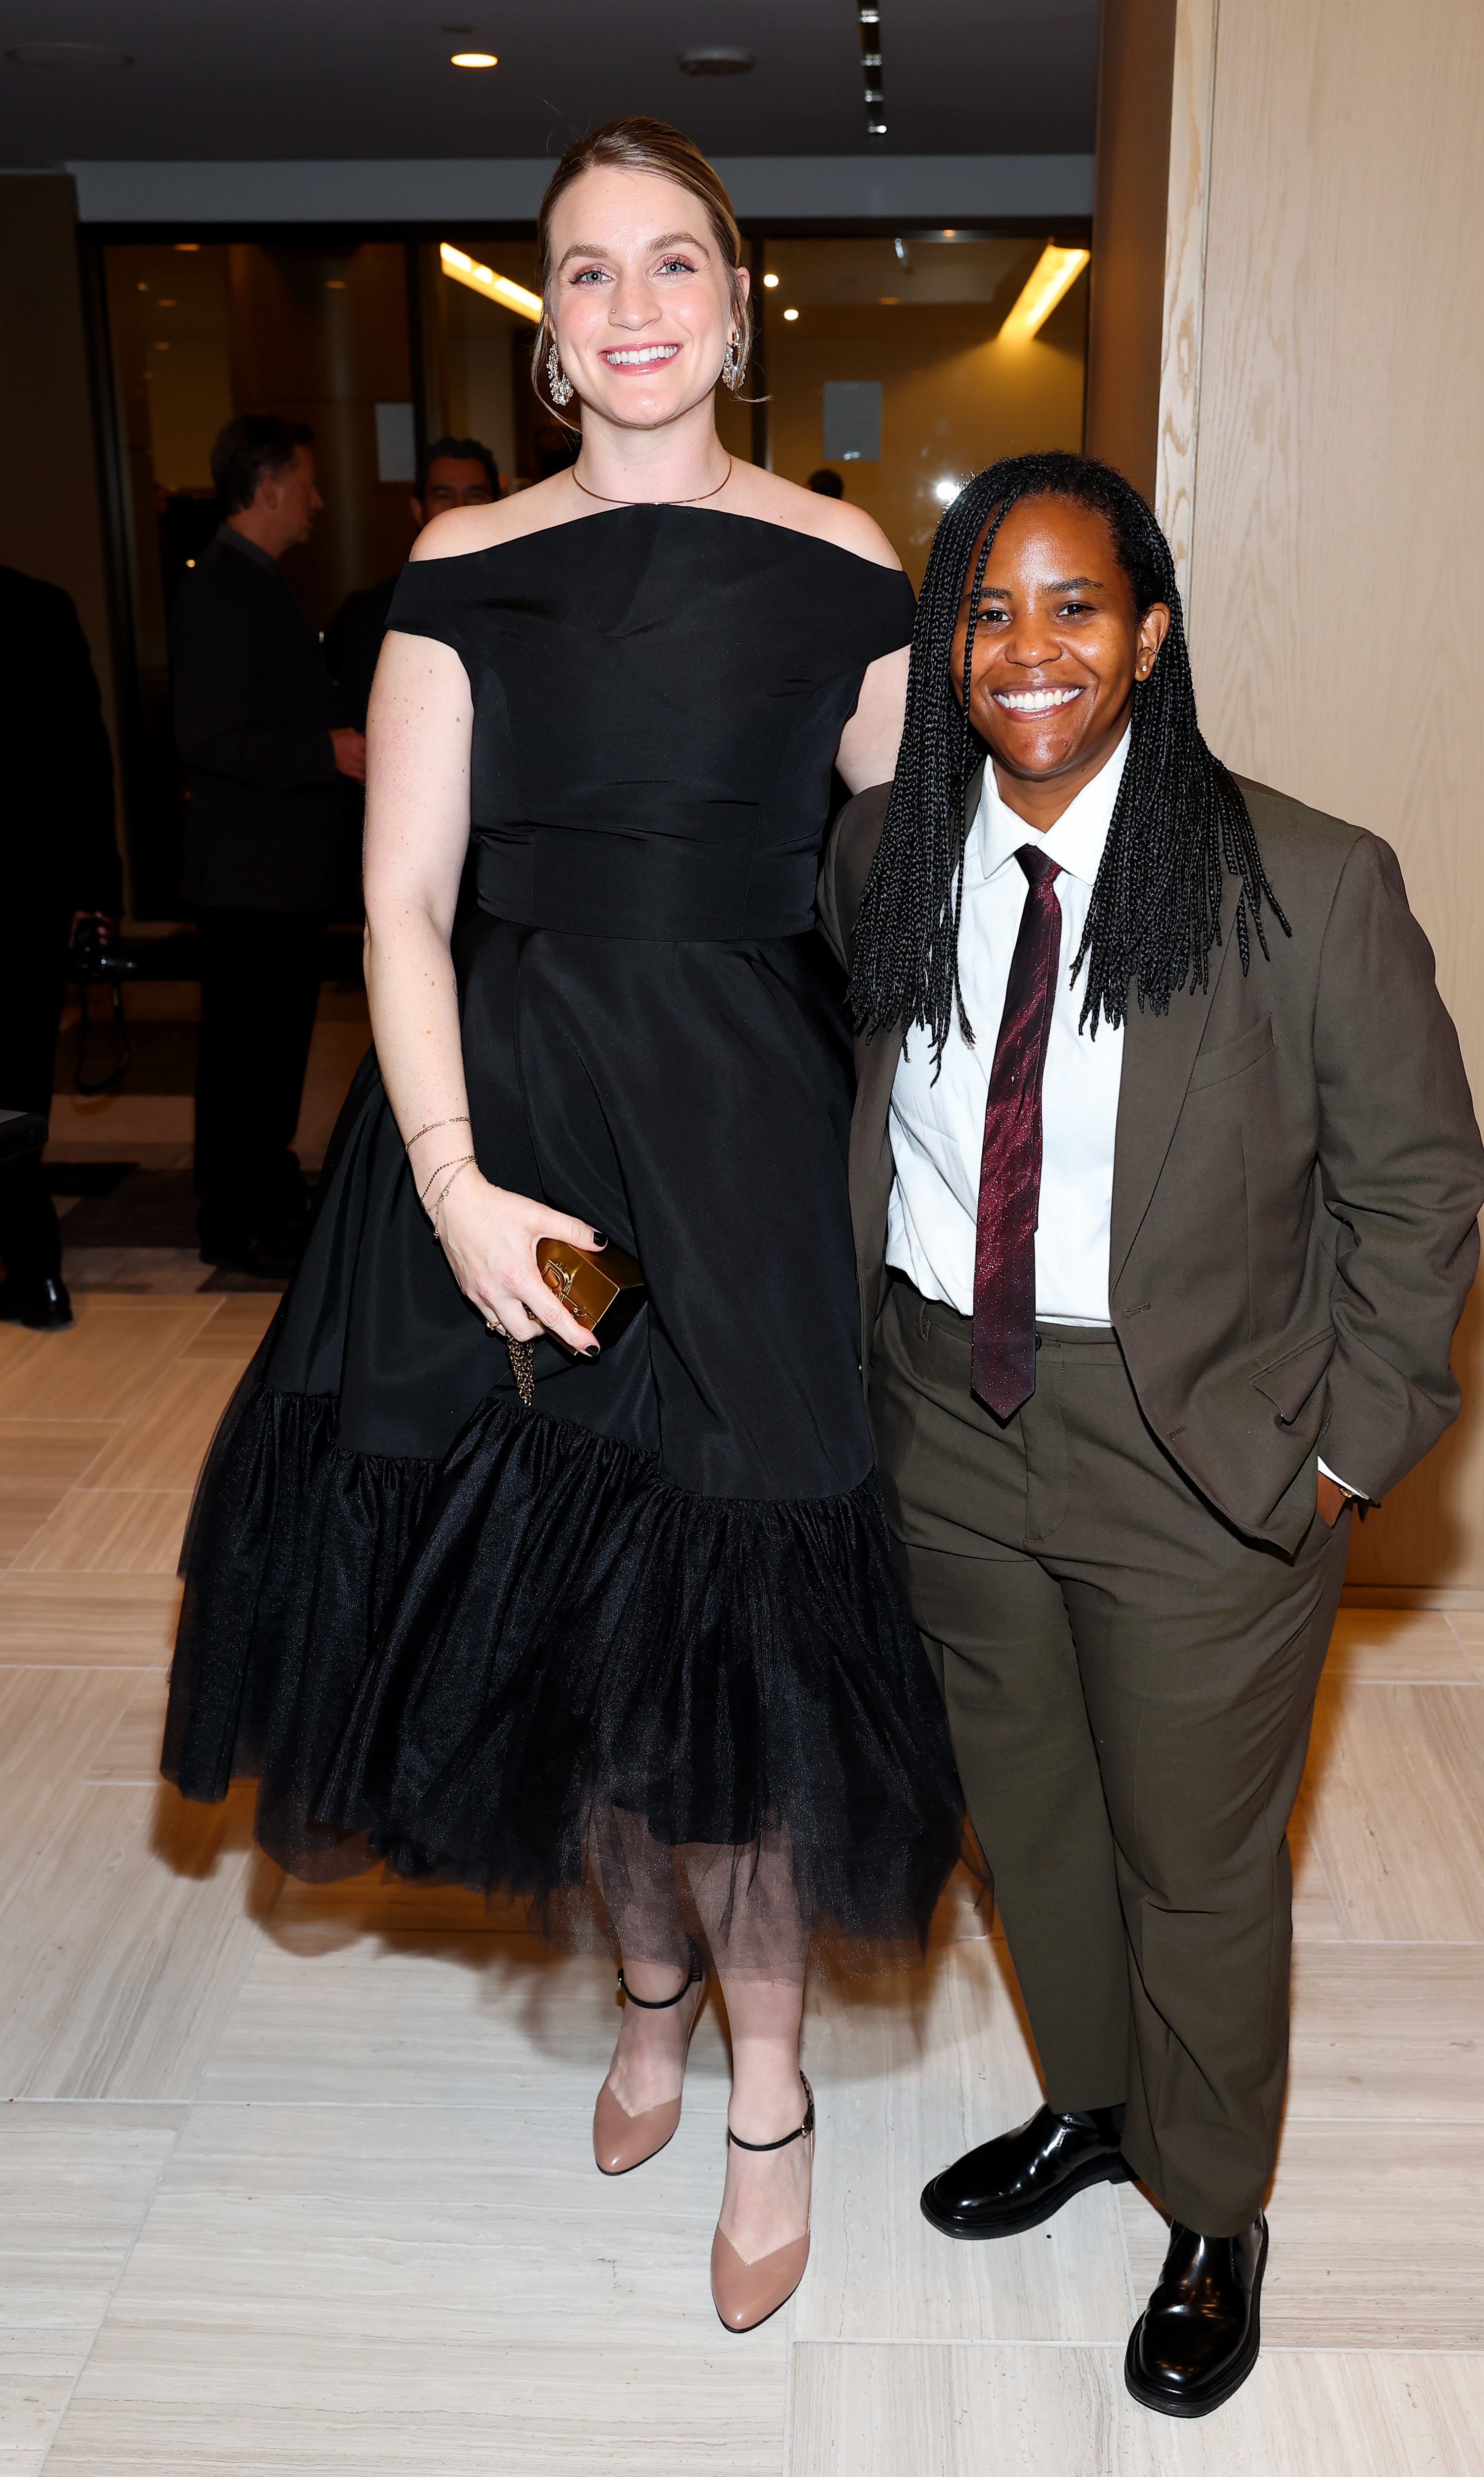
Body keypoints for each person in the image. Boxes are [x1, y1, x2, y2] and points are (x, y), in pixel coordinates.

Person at [162, 118, 962, 2336]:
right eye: (582, 273)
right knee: (584, 1607)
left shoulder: (843, 562)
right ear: (548, 332)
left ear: (736, 301)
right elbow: (402, 902)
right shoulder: (459, 574)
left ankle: (771, 2076)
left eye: (671, 262)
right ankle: (641, 1990)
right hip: (507, 1135)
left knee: (762, 1595)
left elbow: (908, 912)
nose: (630, 305)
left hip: (748, 1140)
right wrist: (444, 1180)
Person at [816, 451, 1484, 2419]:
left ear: (1148, 633)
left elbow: (1418, 1182)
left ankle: (1211, 2206)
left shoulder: (1303, 878)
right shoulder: (886, 857)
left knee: (1193, 1856)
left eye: (1073, 606)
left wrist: (1340, 1446)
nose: (1027, 647)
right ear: (949, 646)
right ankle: (1094, 2103)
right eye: (987, 610)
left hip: (1191, 1436)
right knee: (1024, 1824)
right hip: (944, 1405)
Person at [172, 416, 366, 1278]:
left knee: (270, 1052)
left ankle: (265, 1194)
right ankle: (237, 1219)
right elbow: (207, 736)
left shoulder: (251, 579)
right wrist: (328, 749)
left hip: (271, 875)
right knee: (247, 1059)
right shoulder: (224, 585)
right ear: (270, 486)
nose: (318, 503)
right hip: (250, 876)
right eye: (308, 484)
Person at [0, 563, 122, 1328]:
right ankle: (36, 1269)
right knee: (13, 1084)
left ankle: (34, 1267)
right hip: (25, 899)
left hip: (26, 898)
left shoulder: (40, 609)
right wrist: (95, 894)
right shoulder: (38, 609)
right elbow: (86, 764)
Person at [326, 437, 503, 734]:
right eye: (444, 496)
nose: (459, 509)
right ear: (418, 510)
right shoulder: (376, 616)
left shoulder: (528, 606)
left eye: (475, 495)